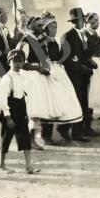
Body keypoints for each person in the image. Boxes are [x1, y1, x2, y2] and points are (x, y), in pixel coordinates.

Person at [39, 11, 86, 144]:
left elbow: (60, 58)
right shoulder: (42, 42)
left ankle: (63, 128)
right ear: (46, 29)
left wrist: (70, 58)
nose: (55, 30)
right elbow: (41, 58)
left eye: (56, 27)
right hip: (47, 73)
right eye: (52, 27)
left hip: (58, 72)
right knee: (50, 103)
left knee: (64, 100)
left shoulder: (54, 41)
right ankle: (45, 134)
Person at [0, 49, 39, 174]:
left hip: (21, 108)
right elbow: (2, 98)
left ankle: (28, 165)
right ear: (9, 62)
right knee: (6, 137)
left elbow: (25, 92)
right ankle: (1, 165)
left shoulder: (23, 75)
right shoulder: (7, 78)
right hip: (10, 109)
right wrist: (8, 116)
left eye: (20, 61)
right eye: (14, 61)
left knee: (25, 137)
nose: (17, 64)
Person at [16, 16, 54, 149]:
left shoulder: (39, 40)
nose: (41, 28)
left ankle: (34, 139)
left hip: (39, 77)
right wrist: (38, 68)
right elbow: (21, 64)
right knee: (31, 110)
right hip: (29, 77)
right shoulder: (26, 41)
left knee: (37, 110)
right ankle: (29, 140)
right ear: (30, 27)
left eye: (41, 25)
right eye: (37, 26)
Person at [59, 8, 97, 142]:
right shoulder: (67, 36)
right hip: (73, 76)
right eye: (76, 21)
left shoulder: (83, 36)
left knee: (83, 103)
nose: (80, 23)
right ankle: (66, 129)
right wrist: (80, 67)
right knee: (76, 102)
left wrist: (90, 62)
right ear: (73, 22)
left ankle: (76, 131)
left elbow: (84, 54)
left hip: (84, 75)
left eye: (81, 20)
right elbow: (65, 59)